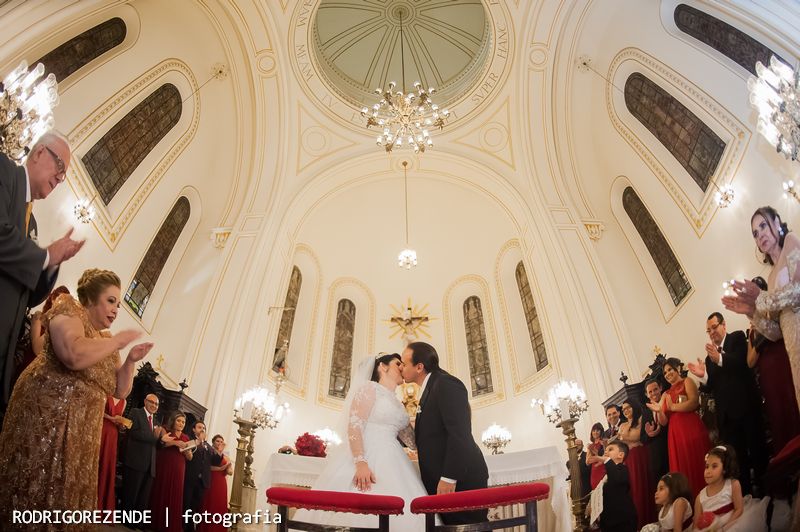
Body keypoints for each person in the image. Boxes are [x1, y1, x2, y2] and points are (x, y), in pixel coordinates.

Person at [0, 268, 152, 523]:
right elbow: (72, 353)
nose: (116, 310)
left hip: (82, 435)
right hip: (46, 422)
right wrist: (117, 342)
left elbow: (120, 391)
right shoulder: (69, 310)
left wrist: (130, 361)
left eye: (117, 304)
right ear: (91, 298)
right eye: (111, 301)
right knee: (35, 486)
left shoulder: (106, 340)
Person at [0, 131, 85, 420]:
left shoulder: (30, 218)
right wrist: (46, 254)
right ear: (39, 153)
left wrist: (51, 264)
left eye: (64, 176)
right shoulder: (4, 171)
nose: (60, 179)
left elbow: (29, 293)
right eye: (60, 167)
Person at [294, 353, 430, 529]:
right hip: (368, 455)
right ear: (383, 366)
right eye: (398, 364)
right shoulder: (369, 388)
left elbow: (412, 441)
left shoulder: (397, 403)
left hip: (395, 459)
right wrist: (360, 462)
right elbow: (355, 426)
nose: (403, 367)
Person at [402, 341, 489, 525]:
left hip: (460, 480)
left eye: (404, 363)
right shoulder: (430, 388)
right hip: (445, 480)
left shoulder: (446, 383)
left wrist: (449, 477)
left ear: (419, 367)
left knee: (470, 528)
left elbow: (460, 433)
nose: (401, 367)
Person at [722, 206, 800, 411]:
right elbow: (776, 332)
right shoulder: (771, 278)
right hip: (794, 352)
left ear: (776, 222)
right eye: (755, 233)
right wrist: (751, 312)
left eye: (763, 225)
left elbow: (797, 291)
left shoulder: (791, 241)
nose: (760, 234)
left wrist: (760, 297)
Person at [688, 312, 767, 494]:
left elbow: (743, 363)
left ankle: (767, 491)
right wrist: (704, 376)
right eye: (708, 330)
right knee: (737, 461)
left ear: (724, 325)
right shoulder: (709, 358)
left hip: (747, 408)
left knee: (758, 452)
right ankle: (747, 496)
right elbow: (712, 387)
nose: (712, 332)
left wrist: (720, 358)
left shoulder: (738, 338)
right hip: (727, 418)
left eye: (714, 327)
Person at [746, 277, 800, 454]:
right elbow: (750, 361)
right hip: (768, 376)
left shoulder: (775, 311)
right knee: (778, 412)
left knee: (792, 403)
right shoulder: (752, 329)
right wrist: (759, 341)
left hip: (783, 366)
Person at [648, 357, 709, 497]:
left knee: (696, 459)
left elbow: (694, 402)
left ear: (677, 369)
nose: (668, 373)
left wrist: (673, 407)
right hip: (675, 433)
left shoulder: (687, 381)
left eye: (670, 369)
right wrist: (659, 411)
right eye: (665, 372)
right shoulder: (665, 394)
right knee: (683, 465)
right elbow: (663, 422)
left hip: (690, 426)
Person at [694, 445, 768, 531]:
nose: (708, 471)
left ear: (724, 469)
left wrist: (724, 528)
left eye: (714, 466)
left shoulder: (733, 485)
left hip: (731, 524)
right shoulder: (700, 498)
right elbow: (696, 524)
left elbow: (738, 509)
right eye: (707, 466)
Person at [11, 285, 70, 387]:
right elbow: (36, 348)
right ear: (52, 298)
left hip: (43, 376)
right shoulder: (39, 316)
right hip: (28, 367)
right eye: (59, 299)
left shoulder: (61, 326)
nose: (60, 304)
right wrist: (54, 322)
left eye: (64, 302)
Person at [150, 411, 192, 532]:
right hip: (165, 464)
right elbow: (163, 443)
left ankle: (170, 526)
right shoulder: (165, 429)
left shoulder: (186, 437)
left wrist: (187, 451)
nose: (181, 424)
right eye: (179, 421)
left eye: (183, 422)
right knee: (162, 488)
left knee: (176, 492)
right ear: (173, 420)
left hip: (180, 467)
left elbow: (190, 458)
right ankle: (156, 522)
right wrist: (175, 442)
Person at [122, 393, 161, 515]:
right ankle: (126, 519)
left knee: (142, 496)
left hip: (150, 464)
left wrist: (162, 441)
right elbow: (133, 433)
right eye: (152, 402)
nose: (154, 405)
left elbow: (156, 443)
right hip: (135, 460)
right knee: (131, 493)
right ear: (145, 401)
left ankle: (136, 521)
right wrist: (154, 437)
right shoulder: (136, 413)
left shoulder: (156, 421)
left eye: (156, 404)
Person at [618, 399, 654, 527]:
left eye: (628, 407)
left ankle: (648, 520)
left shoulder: (640, 419)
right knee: (633, 489)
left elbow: (638, 436)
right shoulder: (622, 425)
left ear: (634, 407)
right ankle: (638, 523)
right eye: (623, 409)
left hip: (640, 455)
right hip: (628, 459)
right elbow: (619, 443)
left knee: (643, 485)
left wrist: (622, 437)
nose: (626, 411)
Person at [598, 441, 637, 532]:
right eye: (605, 450)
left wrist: (607, 460)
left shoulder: (622, 469)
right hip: (609, 520)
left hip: (622, 520)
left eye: (610, 449)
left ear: (620, 455)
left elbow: (616, 478)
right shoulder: (608, 473)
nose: (606, 452)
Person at [197, 435, 233, 532]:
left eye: (221, 441)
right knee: (209, 504)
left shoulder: (226, 456)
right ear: (213, 442)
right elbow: (206, 467)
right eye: (217, 441)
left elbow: (230, 471)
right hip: (211, 480)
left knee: (219, 505)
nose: (219, 443)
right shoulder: (209, 452)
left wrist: (228, 468)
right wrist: (220, 468)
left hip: (221, 483)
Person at [99, 394, 127, 510]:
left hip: (113, 435)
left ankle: (100, 503)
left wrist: (122, 425)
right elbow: (98, 410)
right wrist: (111, 418)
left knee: (106, 465)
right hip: (101, 428)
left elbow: (120, 420)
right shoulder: (106, 394)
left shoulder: (124, 402)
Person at [183, 420, 212, 531]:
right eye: (199, 427)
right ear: (194, 429)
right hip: (190, 477)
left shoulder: (207, 446)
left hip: (201, 481)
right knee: (186, 503)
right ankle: (183, 527)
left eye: (204, 428)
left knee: (194, 506)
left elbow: (215, 459)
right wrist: (198, 441)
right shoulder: (189, 440)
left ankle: (190, 528)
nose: (202, 429)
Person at [643, 379, 670, 487]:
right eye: (650, 392)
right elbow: (643, 438)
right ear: (646, 394)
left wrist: (659, 429)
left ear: (660, 388)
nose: (653, 393)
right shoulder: (645, 412)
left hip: (670, 446)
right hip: (656, 457)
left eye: (655, 389)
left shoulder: (667, 401)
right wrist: (649, 434)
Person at [586, 422, 607, 490]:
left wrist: (595, 456)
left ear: (601, 431)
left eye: (598, 430)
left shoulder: (604, 442)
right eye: (594, 430)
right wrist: (598, 457)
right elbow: (587, 461)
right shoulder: (591, 445)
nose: (595, 432)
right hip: (594, 471)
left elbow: (606, 457)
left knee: (605, 488)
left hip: (603, 469)